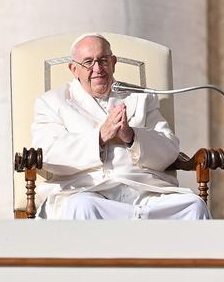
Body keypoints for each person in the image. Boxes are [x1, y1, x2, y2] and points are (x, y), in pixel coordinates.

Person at [31, 34, 210, 220]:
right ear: (73, 69)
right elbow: (48, 153)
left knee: (193, 206)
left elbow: (169, 149)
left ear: (113, 62)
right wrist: (99, 137)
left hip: (143, 192)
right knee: (82, 206)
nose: (98, 69)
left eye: (103, 60)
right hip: (89, 192)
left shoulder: (140, 97)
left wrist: (132, 136)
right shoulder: (52, 102)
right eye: (88, 62)